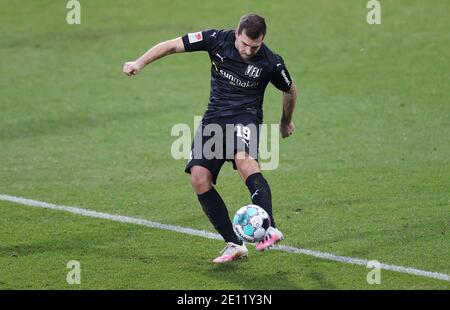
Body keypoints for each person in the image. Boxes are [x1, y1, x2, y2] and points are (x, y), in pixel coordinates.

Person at [123, 13, 297, 263]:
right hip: (214, 119)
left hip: (245, 117)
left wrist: (285, 120)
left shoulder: (270, 62)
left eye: (254, 46)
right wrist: (139, 63)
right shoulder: (216, 39)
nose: (248, 50)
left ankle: (269, 228)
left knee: (246, 162)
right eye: (244, 44)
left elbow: (289, 89)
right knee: (199, 178)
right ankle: (234, 243)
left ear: (263, 40)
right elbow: (172, 45)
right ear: (237, 33)